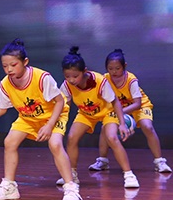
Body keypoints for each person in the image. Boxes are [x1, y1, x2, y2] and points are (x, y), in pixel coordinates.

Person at [0, 39, 78, 200]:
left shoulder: (42, 78)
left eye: (13, 65)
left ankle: (71, 188)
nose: (9, 69)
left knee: (55, 144)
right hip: (28, 118)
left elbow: (60, 102)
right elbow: (1, 109)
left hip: (53, 115)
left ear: (25, 62)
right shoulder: (5, 84)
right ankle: (10, 187)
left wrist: (49, 125)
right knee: (9, 142)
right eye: (5, 66)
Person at [59, 46, 138, 190]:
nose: (71, 80)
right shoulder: (67, 85)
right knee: (71, 138)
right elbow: (64, 105)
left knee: (112, 138)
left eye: (75, 76)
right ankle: (71, 175)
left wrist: (122, 123)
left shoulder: (100, 81)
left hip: (107, 112)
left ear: (84, 71)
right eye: (67, 76)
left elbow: (115, 102)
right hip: (86, 113)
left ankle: (129, 175)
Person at [89, 49, 171, 174]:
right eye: (110, 68)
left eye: (117, 68)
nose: (114, 71)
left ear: (124, 66)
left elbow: (137, 104)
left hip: (139, 106)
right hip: (119, 108)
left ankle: (159, 161)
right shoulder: (105, 79)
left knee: (148, 127)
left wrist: (120, 113)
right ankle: (102, 161)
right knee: (105, 128)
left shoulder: (131, 80)